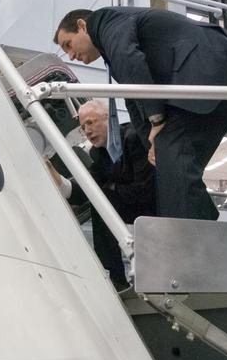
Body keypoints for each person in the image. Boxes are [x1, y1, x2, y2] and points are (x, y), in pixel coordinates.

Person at [54, 6, 227, 221]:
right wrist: (151, 144)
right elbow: (131, 96)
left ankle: (190, 238)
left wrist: (156, 119)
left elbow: (130, 60)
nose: (72, 56)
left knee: (173, 158)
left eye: (69, 45)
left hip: (212, 67)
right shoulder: (110, 43)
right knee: (171, 163)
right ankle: (199, 232)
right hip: (214, 75)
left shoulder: (106, 22)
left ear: (83, 26)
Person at [49, 99, 156, 288]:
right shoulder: (98, 154)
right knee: (100, 204)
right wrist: (55, 176)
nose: (87, 131)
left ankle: (117, 278)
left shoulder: (133, 138)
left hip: (160, 208)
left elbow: (145, 188)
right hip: (136, 210)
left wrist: (109, 190)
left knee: (103, 201)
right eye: (83, 127)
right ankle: (115, 279)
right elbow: (86, 190)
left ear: (108, 118)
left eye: (90, 122)